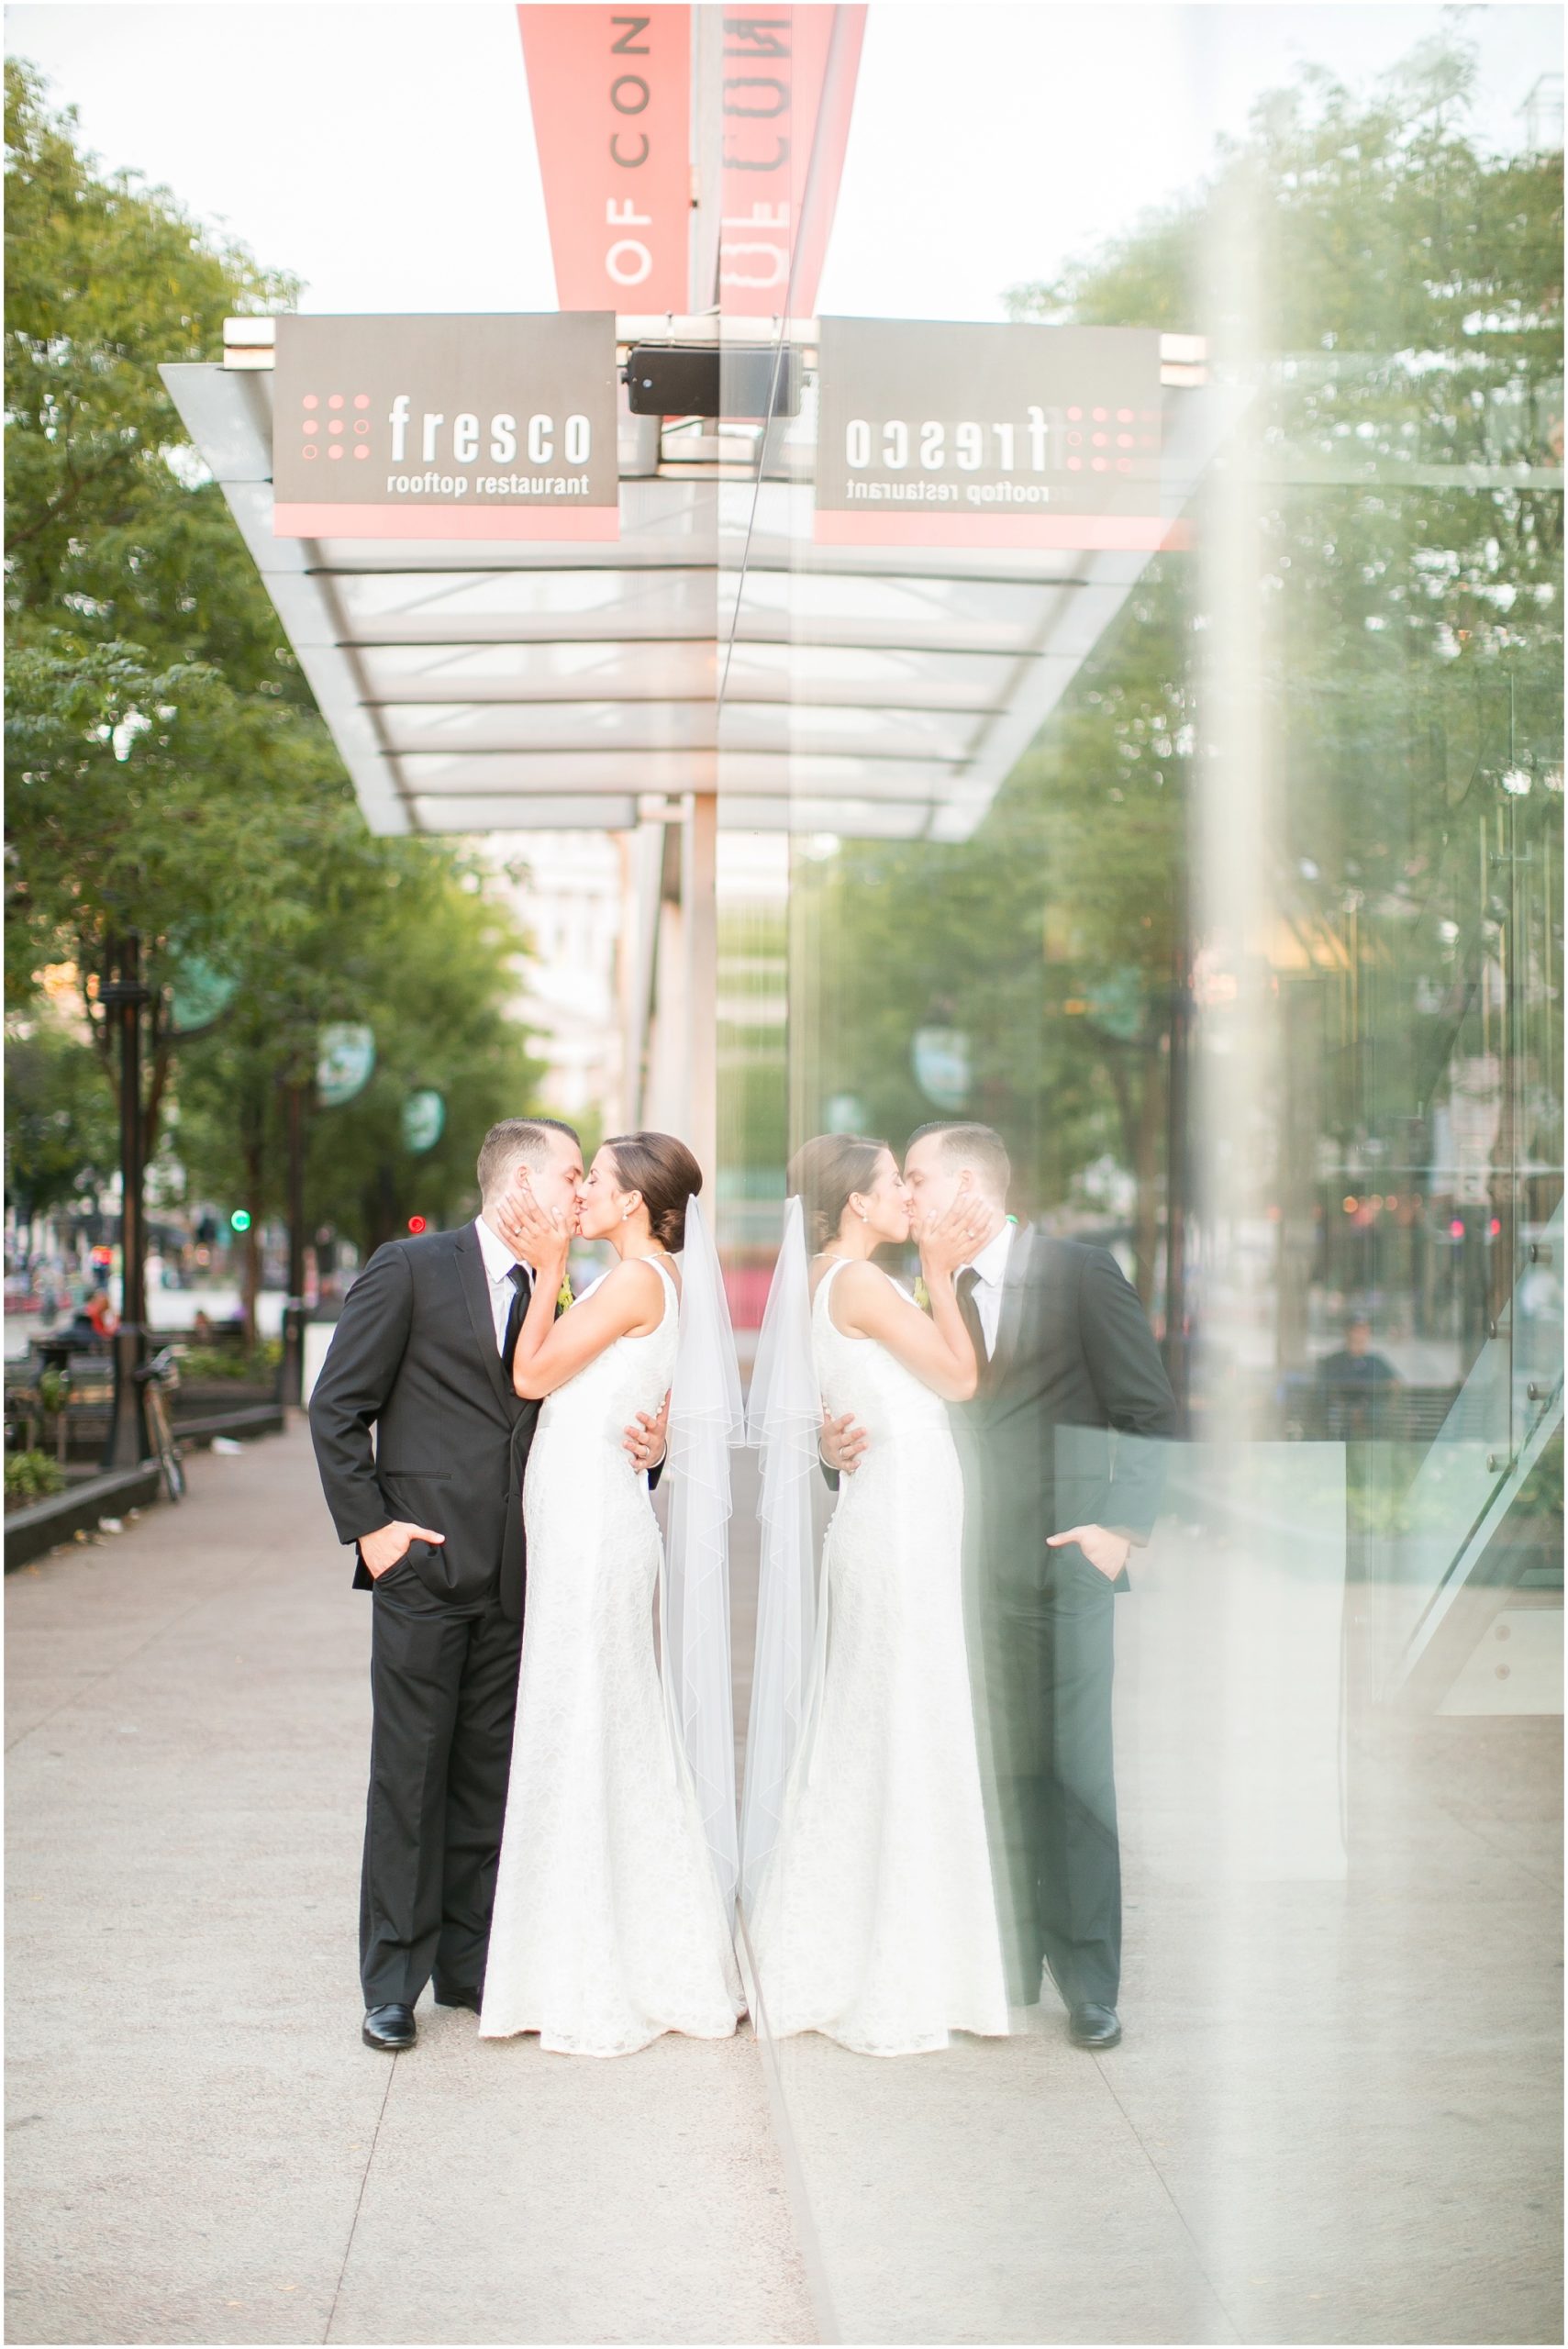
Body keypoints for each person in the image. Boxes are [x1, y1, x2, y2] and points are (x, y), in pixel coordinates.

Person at [307, 1119, 671, 2054]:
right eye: (566, 1175)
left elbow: (592, 1417)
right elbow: (338, 1404)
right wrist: (375, 1532)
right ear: (517, 1184)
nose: (578, 1191)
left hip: (530, 1577)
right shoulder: (411, 1267)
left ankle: (469, 1965)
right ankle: (391, 1981)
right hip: (424, 1569)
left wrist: (650, 1455)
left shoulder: (578, 1286)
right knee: (409, 1778)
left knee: (486, 1782)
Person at [824, 1122, 1179, 2053]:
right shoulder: (908, 1290)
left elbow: (1147, 1409)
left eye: (918, 1177)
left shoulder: (1075, 1273)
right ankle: (1010, 1958)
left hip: (1060, 1567)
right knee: (991, 1770)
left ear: (971, 1187)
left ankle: (1090, 1983)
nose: (905, 1193)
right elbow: (888, 1417)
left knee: (1073, 1775)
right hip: (946, 1575)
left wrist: (1119, 1532)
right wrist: (834, 1455)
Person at [478, 1133, 744, 2057]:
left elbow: (532, 1374)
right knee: (596, 1723)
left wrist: (547, 1264)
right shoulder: (637, 1276)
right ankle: (595, 1951)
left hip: (595, 1532)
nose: (580, 1190)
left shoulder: (634, 1278)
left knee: (591, 1722)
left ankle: (603, 1966)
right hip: (583, 1521)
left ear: (633, 1200)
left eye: (593, 1179)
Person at [745, 1135, 1009, 2055]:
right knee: (897, 1719)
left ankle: (876, 1944)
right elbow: (958, 1376)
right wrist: (939, 1269)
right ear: (854, 1201)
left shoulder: (838, 1276)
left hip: (900, 1517)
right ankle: (882, 1960)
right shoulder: (857, 1280)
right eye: (894, 1181)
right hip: (894, 1523)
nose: (906, 1193)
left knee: (885, 1718)